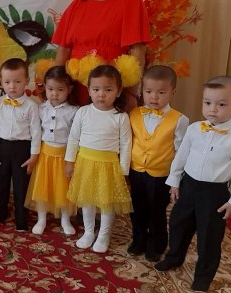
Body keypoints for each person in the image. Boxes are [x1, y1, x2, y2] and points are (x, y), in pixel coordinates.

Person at [155, 76, 231, 292]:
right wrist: (175, 182)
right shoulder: (194, 129)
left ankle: (203, 275)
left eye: (221, 104)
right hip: (189, 185)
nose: (212, 109)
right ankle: (174, 257)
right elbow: (181, 157)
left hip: (215, 192)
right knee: (178, 224)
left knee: (209, 236)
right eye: (207, 102)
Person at [52, 0, 150, 106]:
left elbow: (137, 50)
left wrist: (131, 93)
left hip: (112, 89)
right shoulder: (77, 4)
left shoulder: (130, 2)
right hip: (76, 86)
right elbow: (64, 49)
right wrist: (56, 89)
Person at [65, 65, 133, 253]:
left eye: (108, 90)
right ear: (89, 90)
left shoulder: (121, 117)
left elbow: (126, 145)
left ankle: (104, 235)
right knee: (87, 200)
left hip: (109, 166)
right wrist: (69, 161)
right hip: (85, 163)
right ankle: (88, 232)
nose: (101, 94)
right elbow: (73, 138)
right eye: (96, 89)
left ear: (118, 91)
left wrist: (123, 171)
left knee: (106, 203)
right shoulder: (83, 112)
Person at [128, 65, 188, 261]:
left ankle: (157, 243)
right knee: (137, 208)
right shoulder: (134, 113)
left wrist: (176, 178)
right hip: (137, 170)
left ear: (173, 92)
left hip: (161, 174)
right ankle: (139, 239)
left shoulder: (179, 120)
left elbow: (181, 151)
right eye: (148, 91)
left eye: (161, 92)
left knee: (156, 211)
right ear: (141, 91)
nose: (154, 97)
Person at [0, 58, 41, 231]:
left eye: (17, 81)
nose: (12, 86)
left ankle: (21, 219)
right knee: (1, 182)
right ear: (1, 82)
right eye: (7, 82)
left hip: (22, 148)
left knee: (21, 185)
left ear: (26, 81)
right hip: (2, 147)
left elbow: (36, 132)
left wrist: (34, 155)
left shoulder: (31, 106)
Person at [25, 65, 79, 236]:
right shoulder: (40, 108)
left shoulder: (74, 111)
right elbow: (35, 132)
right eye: (50, 89)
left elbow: (75, 137)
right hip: (45, 155)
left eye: (60, 89)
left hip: (64, 156)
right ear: (45, 88)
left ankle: (65, 219)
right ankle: (41, 219)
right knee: (42, 188)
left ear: (69, 89)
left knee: (64, 190)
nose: (55, 94)